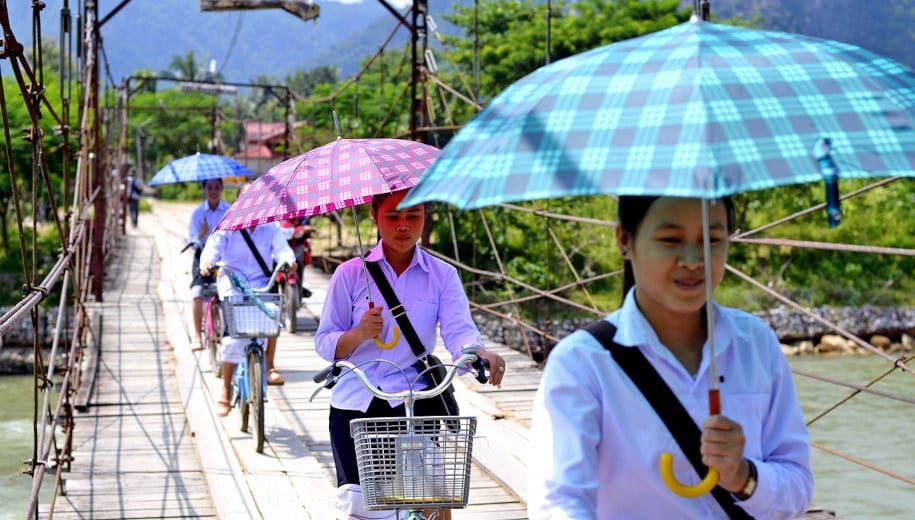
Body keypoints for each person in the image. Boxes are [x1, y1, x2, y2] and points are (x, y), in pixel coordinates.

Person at [527, 196, 813, 519]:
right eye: (671, 240)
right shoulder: (581, 365)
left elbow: (799, 484)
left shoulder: (755, 345)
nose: (693, 259)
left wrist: (743, 476)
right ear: (625, 239)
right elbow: (559, 503)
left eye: (712, 240)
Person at [315, 189, 507, 520]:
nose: (403, 226)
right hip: (359, 398)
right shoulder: (349, 274)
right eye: (392, 216)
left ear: (425, 217)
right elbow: (325, 342)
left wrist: (477, 353)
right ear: (374, 217)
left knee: (436, 494)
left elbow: (459, 330)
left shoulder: (442, 275)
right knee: (359, 507)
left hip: (416, 396)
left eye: (412, 216)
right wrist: (359, 333)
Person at [200, 216, 297, 416]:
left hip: (261, 284)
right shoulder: (227, 226)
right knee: (234, 340)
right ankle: (226, 388)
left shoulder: (270, 227)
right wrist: (208, 262)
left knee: (270, 318)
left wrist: (289, 261)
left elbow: (283, 250)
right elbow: (212, 248)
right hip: (233, 285)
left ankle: (269, 366)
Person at [189, 179, 231, 348]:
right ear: (205, 190)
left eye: (217, 188)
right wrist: (201, 234)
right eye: (210, 188)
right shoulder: (198, 213)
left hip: (224, 256)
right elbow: (192, 240)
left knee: (231, 291)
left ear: (221, 189)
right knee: (197, 291)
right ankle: (197, 335)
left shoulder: (229, 210)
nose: (213, 191)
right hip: (203, 256)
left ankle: (229, 330)